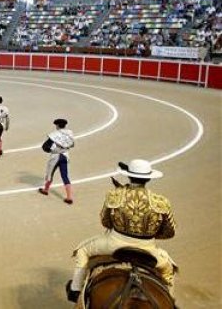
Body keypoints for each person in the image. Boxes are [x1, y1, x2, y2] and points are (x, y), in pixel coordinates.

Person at [66, 159, 177, 302]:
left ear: (129, 176)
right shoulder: (161, 202)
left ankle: (75, 290)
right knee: (169, 270)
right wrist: (149, 233)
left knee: (83, 251)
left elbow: (105, 221)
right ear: (148, 178)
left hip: (114, 243)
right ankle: (170, 301)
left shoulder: (115, 195)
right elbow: (170, 231)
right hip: (148, 249)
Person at [38, 118, 75, 204]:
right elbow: (72, 144)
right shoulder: (69, 133)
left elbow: (45, 147)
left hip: (55, 156)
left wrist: (51, 150)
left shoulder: (54, 135)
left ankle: (46, 189)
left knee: (50, 174)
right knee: (65, 176)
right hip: (65, 155)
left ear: (57, 125)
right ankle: (69, 197)